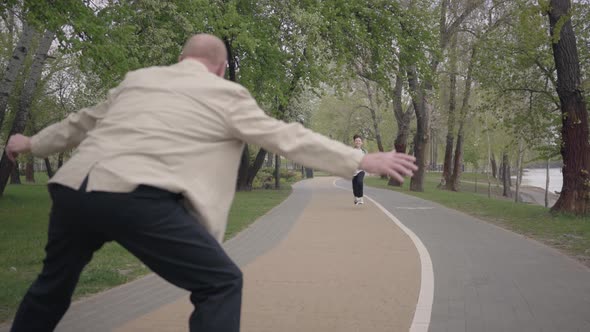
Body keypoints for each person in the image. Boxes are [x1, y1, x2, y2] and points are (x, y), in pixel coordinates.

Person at [5, 34, 417, 332]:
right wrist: (361, 158)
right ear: (220, 68)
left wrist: (30, 142)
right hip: (136, 198)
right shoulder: (224, 93)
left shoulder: (139, 79)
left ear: (180, 59)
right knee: (221, 283)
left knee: (52, 286)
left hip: (73, 190)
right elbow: (286, 136)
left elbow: (81, 122)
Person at [352, 134, 367, 205]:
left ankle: (360, 198)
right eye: (356, 141)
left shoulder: (364, 152)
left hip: (361, 171)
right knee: (355, 187)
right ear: (354, 142)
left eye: (359, 141)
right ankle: (356, 197)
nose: (358, 142)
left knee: (360, 182)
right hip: (353, 172)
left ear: (361, 142)